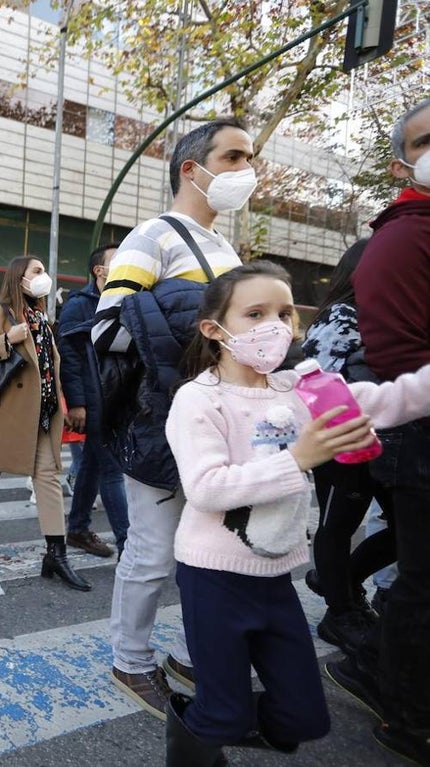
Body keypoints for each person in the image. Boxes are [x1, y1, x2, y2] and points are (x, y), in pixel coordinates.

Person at [163, 260, 430, 765]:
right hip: (213, 578)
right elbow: (206, 487)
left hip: (275, 577)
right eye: (255, 313)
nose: (274, 327)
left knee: (305, 717)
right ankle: (197, 742)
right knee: (221, 715)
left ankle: (218, 722)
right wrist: (300, 458)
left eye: (284, 313)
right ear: (213, 329)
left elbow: (388, 400)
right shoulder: (197, 400)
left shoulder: (300, 388)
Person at [92, 118, 253, 719]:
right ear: (191, 168)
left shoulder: (228, 250)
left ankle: (190, 653)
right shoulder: (151, 237)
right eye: (233, 157)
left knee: (207, 550)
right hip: (159, 422)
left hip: (217, 423)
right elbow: (108, 330)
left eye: (248, 157)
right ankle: (131, 661)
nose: (246, 171)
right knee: (154, 552)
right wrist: (198, 337)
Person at [329, 97, 430, 765]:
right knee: (405, 565)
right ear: (403, 160)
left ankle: (355, 624)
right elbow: (394, 354)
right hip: (394, 429)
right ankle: (400, 700)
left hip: (384, 424)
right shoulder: (400, 237)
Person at [0, 256, 90, 592]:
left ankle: (56, 554)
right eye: (37, 272)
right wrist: (6, 340)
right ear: (19, 278)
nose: (44, 277)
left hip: (42, 413)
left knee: (48, 477)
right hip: (6, 413)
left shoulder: (41, 316)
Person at [299, 238, 393, 654]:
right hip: (345, 442)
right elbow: (320, 380)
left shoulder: (387, 313)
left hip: (390, 441)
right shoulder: (341, 316)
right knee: (337, 527)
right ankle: (340, 612)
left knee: (407, 530)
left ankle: (338, 580)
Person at [58, 244, 128, 559]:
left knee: (91, 464)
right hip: (93, 396)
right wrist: (76, 402)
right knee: (111, 468)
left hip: (115, 395)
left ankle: (77, 528)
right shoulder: (79, 304)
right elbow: (69, 357)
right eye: (117, 260)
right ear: (99, 270)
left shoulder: (123, 300)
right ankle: (128, 543)